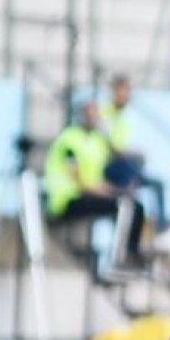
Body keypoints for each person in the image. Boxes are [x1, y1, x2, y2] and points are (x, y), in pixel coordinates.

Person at [43, 99, 145, 264]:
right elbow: (81, 182)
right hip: (67, 200)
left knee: (134, 206)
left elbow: (109, 165)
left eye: (96, 115)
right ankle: (122, 258)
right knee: (124, 206)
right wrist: (112, 192)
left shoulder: (97, 140)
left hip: (89, 193)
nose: (94, 119)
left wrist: (121, 187)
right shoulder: (69, 139)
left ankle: (129, 253)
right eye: (90, 115)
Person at [100, 73, 170, 249]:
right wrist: (131, 154)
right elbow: (111, 148)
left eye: (129, 91)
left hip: (124, 167)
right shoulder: (104, 114)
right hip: (110, 169)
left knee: (155, 186)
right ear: (114, 91)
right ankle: (125, 245)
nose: (127, 95)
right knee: (130, 202)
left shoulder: (124, 117)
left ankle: (162, 230)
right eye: (124, 90)